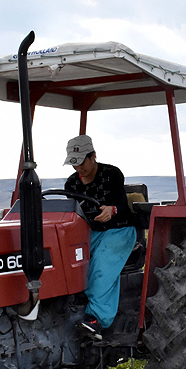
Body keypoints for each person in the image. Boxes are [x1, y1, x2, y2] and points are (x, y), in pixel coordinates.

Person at [63, 135, 136, 340]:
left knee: (101, 267)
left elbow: (121, 206)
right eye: (73, 163)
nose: (78, 168)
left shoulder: (112, 174)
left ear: (93, 156)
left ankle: (97, 319)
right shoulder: (71, 183)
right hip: (89, 230)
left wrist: (111, 210)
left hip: (119, 229)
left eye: (81, 162)